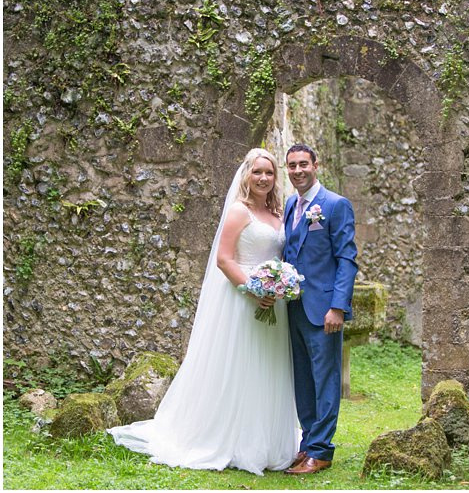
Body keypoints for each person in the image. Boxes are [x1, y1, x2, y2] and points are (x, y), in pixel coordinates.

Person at [107, 148, 299, 475]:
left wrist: (278, 287)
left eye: (269, 172)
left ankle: (265, 439)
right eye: (257, 172)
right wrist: (253, 290)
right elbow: (224, 259)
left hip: (273, 303)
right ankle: (229, 438)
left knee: (267, 367)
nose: (264, 178)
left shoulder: (277, 212)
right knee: (239, 367)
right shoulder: (240, 211)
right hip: (243, 299)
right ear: (246, 176)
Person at [282, 144, 358, 475]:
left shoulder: (335, 205)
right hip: (294, 307)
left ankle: (322, 450)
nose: (298, 170)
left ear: (316, 165)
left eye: (303, 164)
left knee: (325, 380)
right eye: (292, 166)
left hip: (324, 309)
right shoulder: (289, 205)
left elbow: (347, 259)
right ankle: (307, 443)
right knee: (303, 380)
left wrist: (338, 307)